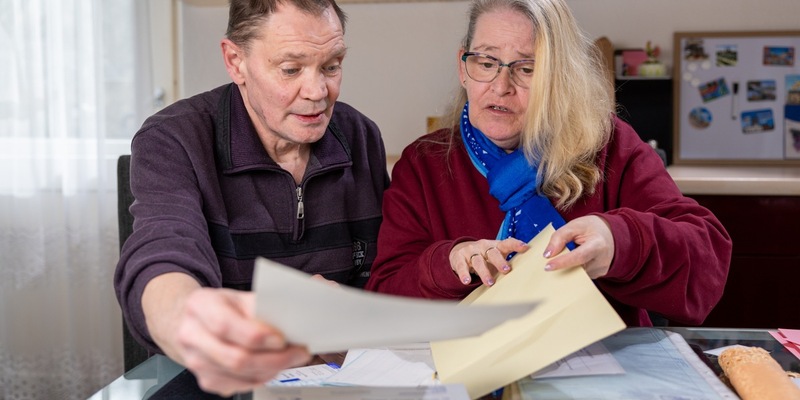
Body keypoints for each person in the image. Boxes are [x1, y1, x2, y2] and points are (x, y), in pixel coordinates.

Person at [365, 0, 731, 328]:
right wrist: (449, 263)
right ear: (463, 67)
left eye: (526, 69)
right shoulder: (423, 163)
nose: (500, 85)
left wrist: (618, 242)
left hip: (598, 372)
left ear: (558, 77)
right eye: (487, 62)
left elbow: (708, 263)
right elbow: (385, 295)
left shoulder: (611, 145)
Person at [114, 0, 388, 395]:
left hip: (344, 379)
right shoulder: (174, 140)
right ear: (235, 61)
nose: (318, 92)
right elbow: (163, 252)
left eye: (331, 65)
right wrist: (187, 319)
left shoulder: (361, 136)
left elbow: (385, 276)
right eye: (291, 69)